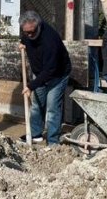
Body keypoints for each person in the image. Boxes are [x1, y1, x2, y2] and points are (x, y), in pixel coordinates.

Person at [19, 11, 72, 145]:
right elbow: (25, 39)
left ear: (39, 25)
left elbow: (50, 70)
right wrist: (22, 43)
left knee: (52, 107)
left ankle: (53, 141)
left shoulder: (50, 40)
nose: (29, 35)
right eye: (26, 32)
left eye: (32, 32)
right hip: (40, 73)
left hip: (57, 75)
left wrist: (31, 86)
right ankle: (35, 134)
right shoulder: (26, 32)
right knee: (37, 105)